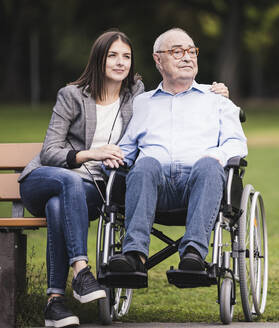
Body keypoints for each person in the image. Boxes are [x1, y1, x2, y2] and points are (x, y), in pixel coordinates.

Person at [19, 29, 229, 328]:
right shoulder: (72, 95)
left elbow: (168, 109)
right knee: (67, 184)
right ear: (98, 59)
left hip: (91, 188)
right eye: (112, 56)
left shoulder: (137, 97)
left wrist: (216, 91)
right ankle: (81, 271)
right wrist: (91, 154)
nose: (120, 62)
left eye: (126, 56)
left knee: (59, 206)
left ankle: (55, 302)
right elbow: (51, 151)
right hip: (49, 176)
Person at [107, 28, 247, 280]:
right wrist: (113, 156)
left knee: (208, 165)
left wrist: (217, 155)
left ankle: (193, 253)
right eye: (177, 51)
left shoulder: (217, 100)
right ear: (158, 60)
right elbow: (127, 148)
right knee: (145, 163)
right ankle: (134, 256)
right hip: (153, 188)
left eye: (192, 51)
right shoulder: (143, 103)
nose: (187, 57)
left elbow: (236, 143)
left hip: (200, 185)